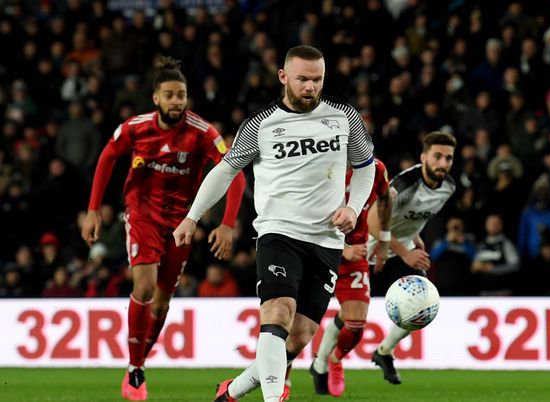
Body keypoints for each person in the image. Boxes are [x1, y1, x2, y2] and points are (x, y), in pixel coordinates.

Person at [172, 45, 376, 402]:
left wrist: (355, 208)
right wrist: (192, 216)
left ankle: (230, 392)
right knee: (277, 312)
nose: (310, 87)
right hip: (279, 232)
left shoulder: (344, 117)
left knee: (297, 338)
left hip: (327, 240)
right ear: (283, 77)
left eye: (317, 80)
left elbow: (365, 166)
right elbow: (225, 171)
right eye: (303, 80)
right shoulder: (262, 125)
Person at [81, 56, 246, 401]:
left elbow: (236, 173)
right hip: (141, 216)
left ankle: (139, 361)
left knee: (161, 303)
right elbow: (107, 158)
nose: (176, 101)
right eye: (169, 95)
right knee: (144, 285)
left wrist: (227, 224)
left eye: (181, 95)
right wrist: (93, 210)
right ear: (155, 98)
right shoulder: (135, 128)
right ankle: (135, 368)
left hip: (181, 224)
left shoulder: (203, 133)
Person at [366, 131, 457, 384]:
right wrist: (405, 251)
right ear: (423, 157)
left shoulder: (448, 186)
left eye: (448, 158)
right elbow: (372, 222)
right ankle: (322, 363)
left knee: (423, 306)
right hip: (372, 250)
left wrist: (414, 238)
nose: (442, 163)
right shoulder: (405, 185)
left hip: (402, 251)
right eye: (437, 156)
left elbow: (417, 215)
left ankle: (384, 351)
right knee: (351, 318)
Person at [306, 158, 391, 398]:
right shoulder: (320, 165)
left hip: (356, 251)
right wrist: (342, 248)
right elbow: (305, 211)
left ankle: (330, 360)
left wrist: (384, 241)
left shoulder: (376, 168)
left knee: (356, 324)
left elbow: (385, 199)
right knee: (295, 324)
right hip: (314, 249)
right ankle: (284, 381)